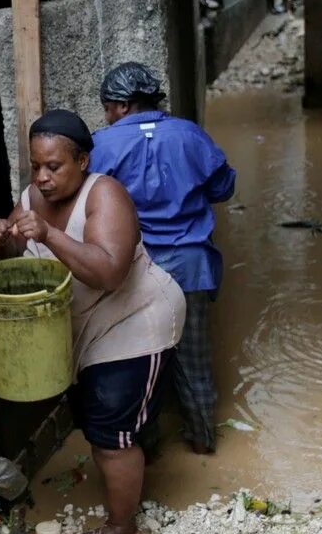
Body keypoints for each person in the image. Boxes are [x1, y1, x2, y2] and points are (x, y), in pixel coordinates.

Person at [0, 109, 184, 534]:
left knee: (110, 433)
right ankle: (134, 458)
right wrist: (1, 240)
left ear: (83, 162)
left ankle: (123, 527)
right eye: (36, 166)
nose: (43, 177)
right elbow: (16, 252)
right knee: (104, 422)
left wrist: (50, 235)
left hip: (136, 319)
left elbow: (110, 272)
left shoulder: (105, 195)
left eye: (54, 166)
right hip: (89, 325)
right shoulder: (33, 196)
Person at [91, 63, 236, 456]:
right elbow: (224, 187)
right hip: (192, 266)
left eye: (106, 106)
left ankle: (146, 449)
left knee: (140, 363)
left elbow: (87, 202)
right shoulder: (190, 134)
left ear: (121, 106)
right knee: (195, 361)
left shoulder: (101, 145)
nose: (105, 114)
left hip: (138, 271)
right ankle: (204, 442)